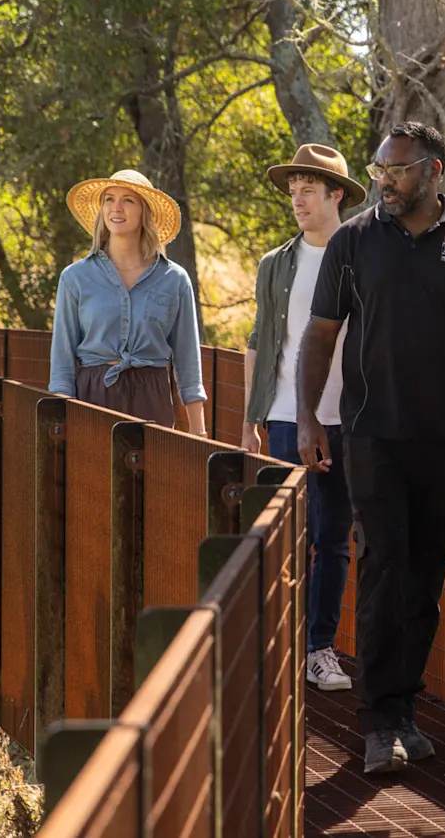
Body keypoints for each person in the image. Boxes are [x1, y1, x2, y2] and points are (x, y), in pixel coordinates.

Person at [296, 122, 445, 775]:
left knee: (425, 575)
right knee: (384, 564)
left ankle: (403, 710)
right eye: (379, 169)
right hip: (371, 433)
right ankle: (378, 721)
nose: (384, 180)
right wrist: (308, 418)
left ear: (433, 170)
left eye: (397, 169)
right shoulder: (354, 240)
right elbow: (320, 333)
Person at [241, 143, 364, 693]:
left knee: (333, 537)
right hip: (287, 416)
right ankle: (277, 647)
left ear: (336, 195)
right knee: (285, 536)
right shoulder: (275, 263)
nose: (297, 200)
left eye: (308, 190)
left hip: (348, 417)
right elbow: (259, 341)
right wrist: (250, 418)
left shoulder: (363, 257)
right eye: (293, 191)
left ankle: (319, 650)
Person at [49, 168, 207, 432]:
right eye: (109, 199)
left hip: (152, 399)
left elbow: (188, 360)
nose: (116, 208)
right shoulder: (75, 277)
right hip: (92, 399)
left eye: (128, 200)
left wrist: (198, 431)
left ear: (145, 211)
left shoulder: (175, 279)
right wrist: (60, 422)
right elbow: (62, 364)